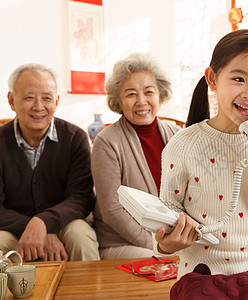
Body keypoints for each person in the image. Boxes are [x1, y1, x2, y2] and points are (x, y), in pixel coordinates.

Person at [154, 29, 248, 300]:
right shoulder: (184, 144)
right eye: (238, 79)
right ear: (212, 79)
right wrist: (166, 245)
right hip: (204, 274)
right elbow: (167, 216)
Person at [0, 63, 99, 261]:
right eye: (29, 97)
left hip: (65, 224)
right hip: (12, 228)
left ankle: (92, 293)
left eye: (46, 98)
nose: (39, 107)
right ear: (12, 100)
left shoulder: (75, 138)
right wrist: (34, 228)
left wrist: (44, 223)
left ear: (56, 101)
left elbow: (81, 197)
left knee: (80, 236)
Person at [91, 53, 180, 260]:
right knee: (170, 268)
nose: (141, 101)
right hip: (123, 242)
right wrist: (158, 245)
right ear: (118, 101)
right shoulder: (106, 141)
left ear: (160, 94)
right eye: (131, 94)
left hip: (173, 240)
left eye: (149, 92)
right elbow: (112, 210)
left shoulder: (177, 135)